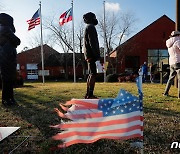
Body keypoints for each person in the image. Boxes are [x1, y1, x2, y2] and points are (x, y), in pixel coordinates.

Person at [0, 13, 21, 106]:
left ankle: (10, 98)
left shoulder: (6, 29)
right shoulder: (4, 29)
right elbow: (17, 41)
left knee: (9, 79)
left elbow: (15, 41)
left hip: (9, 55)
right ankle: (6, 99)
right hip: (6, 56)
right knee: (7, 79)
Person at [83, 12, 100, 99]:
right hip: (92, 54)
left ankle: (88, 94)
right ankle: (90, 95)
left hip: (88, 54)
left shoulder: (88, 27)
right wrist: (97, 56)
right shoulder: (91, 27)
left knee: (90, 74)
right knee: (93, 74)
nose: (95, 19)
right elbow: (93, 42)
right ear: (91, 18)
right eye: (94, 17)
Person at [163, 31, 180, 98]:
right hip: (178, 62)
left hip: (172, 63)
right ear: (178, 35)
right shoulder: (178, 41)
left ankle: (165, 93)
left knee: (170, 78)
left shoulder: (169, 43)